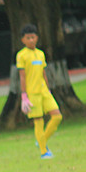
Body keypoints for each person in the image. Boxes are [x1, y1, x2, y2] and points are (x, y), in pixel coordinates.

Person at [16, 24, 62, 159]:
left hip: (44, 91)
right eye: (28, 38)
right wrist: (24, 95)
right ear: (23, 40)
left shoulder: (40, 54)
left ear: (37, 38)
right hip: (32, 93)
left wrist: (48, 89)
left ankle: (41, 140)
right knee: (38, 121)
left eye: (33, 37)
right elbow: (22, 76)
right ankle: (44, 151)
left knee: (57, 116)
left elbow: (43, 73)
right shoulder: (22, 55)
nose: (31, 40)